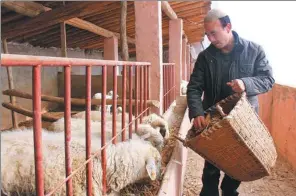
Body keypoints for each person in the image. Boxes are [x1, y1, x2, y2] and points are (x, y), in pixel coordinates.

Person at [186, 9, 275, 196]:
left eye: (214, 33)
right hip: (214, 120)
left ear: (228, 27)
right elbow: (194, 87)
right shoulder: (205, 57)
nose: (210, 39)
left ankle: (229, 190)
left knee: (238, 161)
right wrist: (197, 112)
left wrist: (246, 83)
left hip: (244, 120)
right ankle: (209, 192)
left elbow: (267, 80)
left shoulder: (254, 50)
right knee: (211, 164)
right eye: (207, 34)